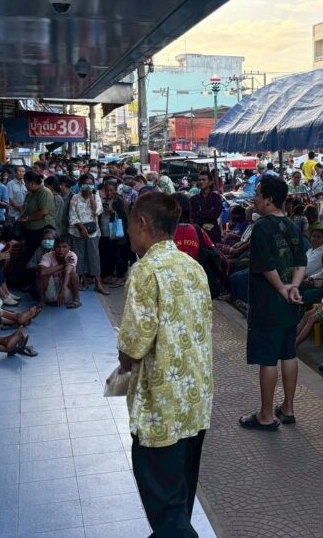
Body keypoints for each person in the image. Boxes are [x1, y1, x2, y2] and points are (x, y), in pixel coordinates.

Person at [118, 191, 212, 537]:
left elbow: (133, 348)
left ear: (142, 224)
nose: (128, 233)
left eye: (130, 226)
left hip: (161, 407)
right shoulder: (193, 266)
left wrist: (123, 355)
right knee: (180, 495)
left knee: (166, 509)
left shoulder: (144, 271)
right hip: (195, 401)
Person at [239, 176, 305, 431]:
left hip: (268, 304)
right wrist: (293, 288)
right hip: (290, 303)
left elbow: (266, 266)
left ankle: (266, 415)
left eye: (257, 194)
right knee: (288, 354)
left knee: (268, 359)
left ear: (268, 199)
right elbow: (300, 262)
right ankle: (288, 408)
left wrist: (281, 289)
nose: (254, 198)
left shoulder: (262, 228)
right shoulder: (291, 225)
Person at [69, 173, 105, 295]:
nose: (88, 186)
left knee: (94, 256)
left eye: (90, 184)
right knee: (80, 256)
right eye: (85, 184)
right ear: (80, 185)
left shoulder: (96, 196)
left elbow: (97, 211)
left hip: (93, 232)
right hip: (77, 231)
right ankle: (84, 281)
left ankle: (98, 283)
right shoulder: (75, 197)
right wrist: (81, 228)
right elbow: (72, 215)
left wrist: (91, 196)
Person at [17, 172, 56, 261]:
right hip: (30, 229)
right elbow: (25, 208)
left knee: (40, 256)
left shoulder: (44, 192)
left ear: (32, 183)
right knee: (29, 254)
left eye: (26, 183)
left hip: (42, 229)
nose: (25, 185)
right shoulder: (30, 194)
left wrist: (27, 218)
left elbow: (44, 212)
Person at [36, 237, 81, 308]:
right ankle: (42, 301)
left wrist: (63, 290)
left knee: (73, 274)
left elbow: (67, 272)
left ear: (69, 248)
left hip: (65, 288)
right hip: (51, 288)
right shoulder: (47, 256)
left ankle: (76, 299)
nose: (61, 250)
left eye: (64, 247)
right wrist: (63, 264)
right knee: (40, 275)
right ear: (54, 247)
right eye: (58, 247)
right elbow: (42, 272)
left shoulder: (71, 255)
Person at [189, 171, 224, 245]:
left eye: (204, 180)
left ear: (210, 182)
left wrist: (200, 213)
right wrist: (206, 216)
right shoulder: (194, 199)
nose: (201, 182)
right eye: (200, 180)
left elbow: (216, 213)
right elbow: (192, 216)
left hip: (213, 232)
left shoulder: (216, 197)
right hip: (199, 232)